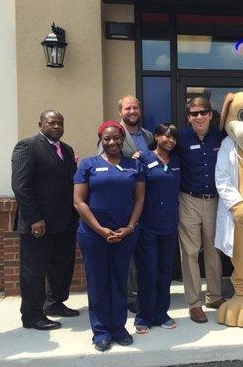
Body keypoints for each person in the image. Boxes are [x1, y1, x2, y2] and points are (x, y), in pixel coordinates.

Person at [74, 121, 145, 351]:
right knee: (97, 282)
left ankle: (118, 328)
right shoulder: (88, 164)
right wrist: (99, 229)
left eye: (116, 138)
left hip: (125, 234)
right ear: (100, 140)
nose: (112, 142)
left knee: (119, 280)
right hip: (93, 235)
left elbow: (140, 199)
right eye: (107, 139)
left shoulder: (134, 165)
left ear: (123, 139)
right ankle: (101, 331)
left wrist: (130, 227)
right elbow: (79, 201)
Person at [11, 110, 79, 330]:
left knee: (62, 265)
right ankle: (31, 316)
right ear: (41, 124)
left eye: (60, 122)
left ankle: (54, 304)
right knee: (34, 270)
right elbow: (21, 186)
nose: (57, 126)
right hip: (38, 224)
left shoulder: (67, 150)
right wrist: (35, 218)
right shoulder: (27, 146)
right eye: (51, 123)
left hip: (64, 222)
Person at [99, 95, 153, 313]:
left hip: (147, 197)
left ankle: (144, 291)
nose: (132, 111)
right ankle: (129, 296)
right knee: (126, 253)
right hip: (124, 201)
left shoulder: (148, 135)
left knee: (143, 249)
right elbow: (104, 166)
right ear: (120, 112)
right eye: (128, 108)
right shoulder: (111, 134)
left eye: (135, 107)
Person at [177, 97, 226, 323]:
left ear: (210, 114)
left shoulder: (221, 136)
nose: (199, 117)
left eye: (202, 112)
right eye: (194, 113)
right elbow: (161, 153)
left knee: (214, 250)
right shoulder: (180, 138)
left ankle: (214, 295)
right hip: (188, 199)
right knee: (190, 252)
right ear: (188, 117)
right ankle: (194, 303)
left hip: (215, 200)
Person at [134, 123, 181, 334]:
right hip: (148, 226)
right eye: (166, 136)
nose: (170, 141)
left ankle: (161, 313)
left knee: (165, 272)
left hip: (170, 226)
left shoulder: (177, 161)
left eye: (174, 138)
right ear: (156, 136)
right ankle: (144, 315)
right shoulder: (143, 159)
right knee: (148, 271)